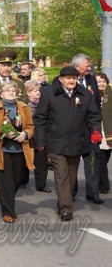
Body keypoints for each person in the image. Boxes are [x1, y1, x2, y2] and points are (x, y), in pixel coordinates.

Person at [34, 66, 100, 221]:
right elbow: (40, 118)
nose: (71, 81)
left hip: (77, 142)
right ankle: (66, 209)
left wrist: (95, 133)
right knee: (61, 175)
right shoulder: (49, 93)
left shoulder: (85, 94)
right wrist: (40, 141)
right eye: (68, 78)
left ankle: (63, 202)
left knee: (71, 177)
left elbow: (94, 115)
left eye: (74, 78)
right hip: (56, 141)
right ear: (61, 79)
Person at [0, 81, 35, 223]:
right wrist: (3, 132)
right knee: (5, 182)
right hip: (1, 150)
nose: (11, 93)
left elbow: (31, 127)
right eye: (7, 91)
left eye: (13, 90)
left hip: (20, 150)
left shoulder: (24, 108)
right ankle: (8, 212)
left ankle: (7, 198)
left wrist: (25, 134)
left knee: (18, 179)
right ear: (1, 94)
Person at [69, 53, 103, 204]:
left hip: (89, 127)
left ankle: (93, 192)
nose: (90, 68)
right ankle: (71, 192)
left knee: (92, 160)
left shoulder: (90, 79)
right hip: (73, 128)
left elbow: (96, 101)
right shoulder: (67, 79)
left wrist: (96, 126)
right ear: (77, 66)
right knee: (72, 163)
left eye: (90, 66)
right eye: (87, 66)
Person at [24, 80, 50, 193]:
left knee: (41, 161)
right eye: (35, 91)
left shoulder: (44, 103)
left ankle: (41, 185)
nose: (38, 93)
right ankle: (22, 180)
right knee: (24, 160)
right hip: (27, 136)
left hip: (41, 136)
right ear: (28, 93)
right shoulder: (23, 105)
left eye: (39, 91)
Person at [95, 72, 111, 194]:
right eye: (98, 81)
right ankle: (103, 185)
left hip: (109, 130)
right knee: (100, 159)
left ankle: (101, 181)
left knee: (105, 158)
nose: (101, 83)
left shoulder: (109, 94)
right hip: (98, 131)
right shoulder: (92, 96)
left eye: (103, 81)